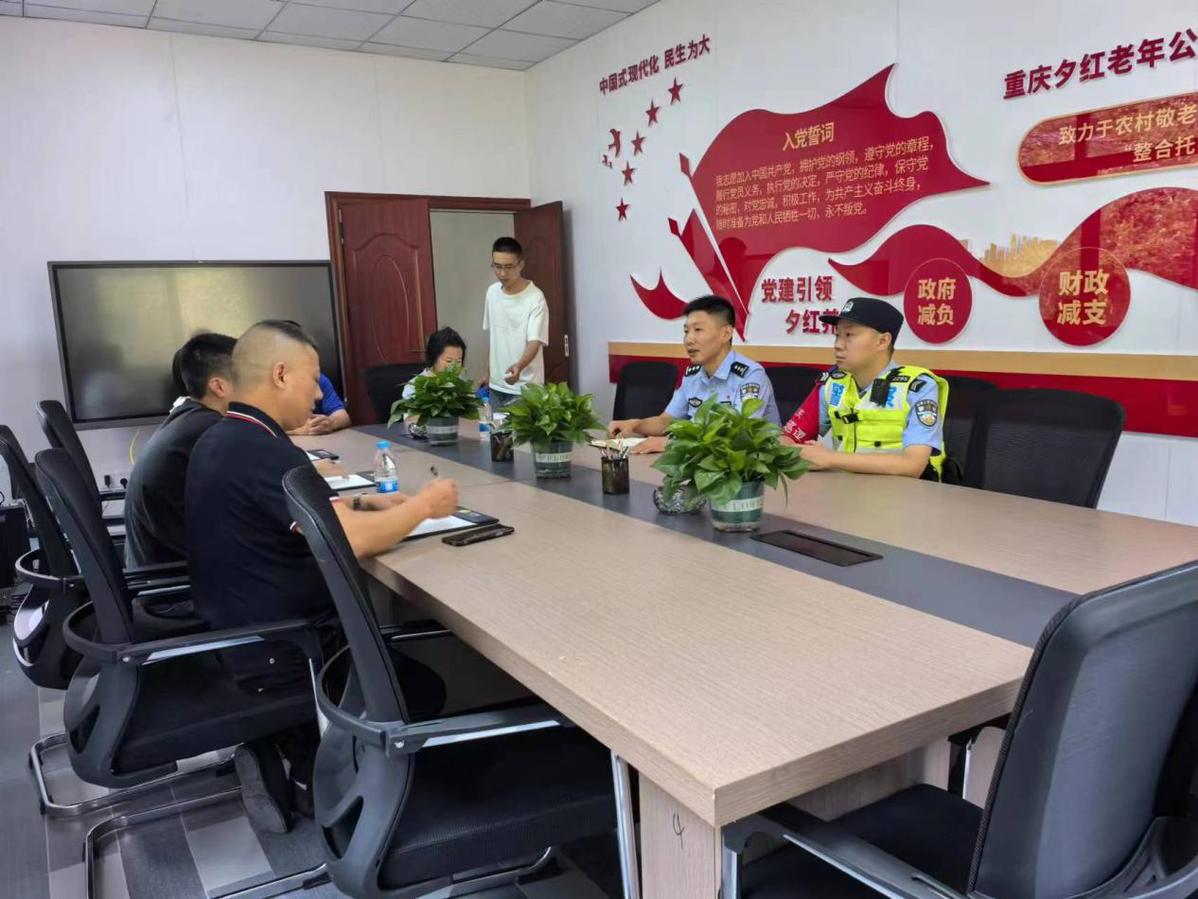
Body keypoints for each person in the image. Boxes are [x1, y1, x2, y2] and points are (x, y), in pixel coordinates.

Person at [186, 319, 459, 833]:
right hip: (287, 651)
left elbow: (310, 513)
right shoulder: (263, 450)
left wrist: (369, 501)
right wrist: (424, 506)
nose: (318, 394)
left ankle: (291, 749)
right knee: (425, 684)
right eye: (313, 380)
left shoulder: (225, 437)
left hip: (239, 632)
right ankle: (324, 780)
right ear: (280, 375)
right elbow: (349, 540)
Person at [782, 297, 949, 480]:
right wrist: (792, 450)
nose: (838, 345)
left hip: (906, 493)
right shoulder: (833, 384)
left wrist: (830, 458)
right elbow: (788, 438)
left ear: (883, 341)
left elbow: (912, 465)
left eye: (849, 335)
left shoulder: (916, 387)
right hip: (845, 489)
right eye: (837, 335)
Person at [608, 295, 780, 454]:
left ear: (726, 334)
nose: (689, 339)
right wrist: (635, 424)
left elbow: (739, 438)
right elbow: (666, 421)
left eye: (698, 330)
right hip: (704, 463)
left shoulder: (751, 376)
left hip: (751, 468)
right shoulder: (693, 376)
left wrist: (669, 444)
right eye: (686, 331)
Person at [124, 333, 235, 568]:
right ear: (219, 386)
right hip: (173, 581)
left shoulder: (191, 417)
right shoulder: (211, 430)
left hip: (156, 568)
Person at [482, 237, 548, 410]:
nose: (502, 273)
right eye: (497, 266)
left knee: (521, 429)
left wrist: (519, 366)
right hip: (496, 386)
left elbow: (535, 342)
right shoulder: (492, 293)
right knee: (496, 428)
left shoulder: (535, 298)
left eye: (509, 267)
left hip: (526, 388)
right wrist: (487, 372)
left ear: (521, 265)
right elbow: (494, 338)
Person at [401, 327, 468, 402]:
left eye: (458, 361)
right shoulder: (413, 388)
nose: (454, 366)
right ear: (433, 357)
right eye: (449, 361)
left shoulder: (461, 384)